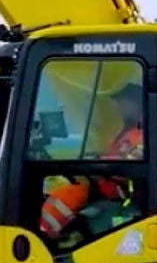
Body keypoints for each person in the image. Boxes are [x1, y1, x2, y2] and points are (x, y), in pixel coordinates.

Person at [39, 82, 144, 241]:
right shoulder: (129, 131)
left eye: (121, 101)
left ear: (135, 103)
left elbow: (128, 165)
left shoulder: (141, 134)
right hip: (103, 185)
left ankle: (41, 238)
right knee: (58, 189)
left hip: (116, 194)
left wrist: (95, 168)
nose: (117, 106)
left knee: (66, 196)